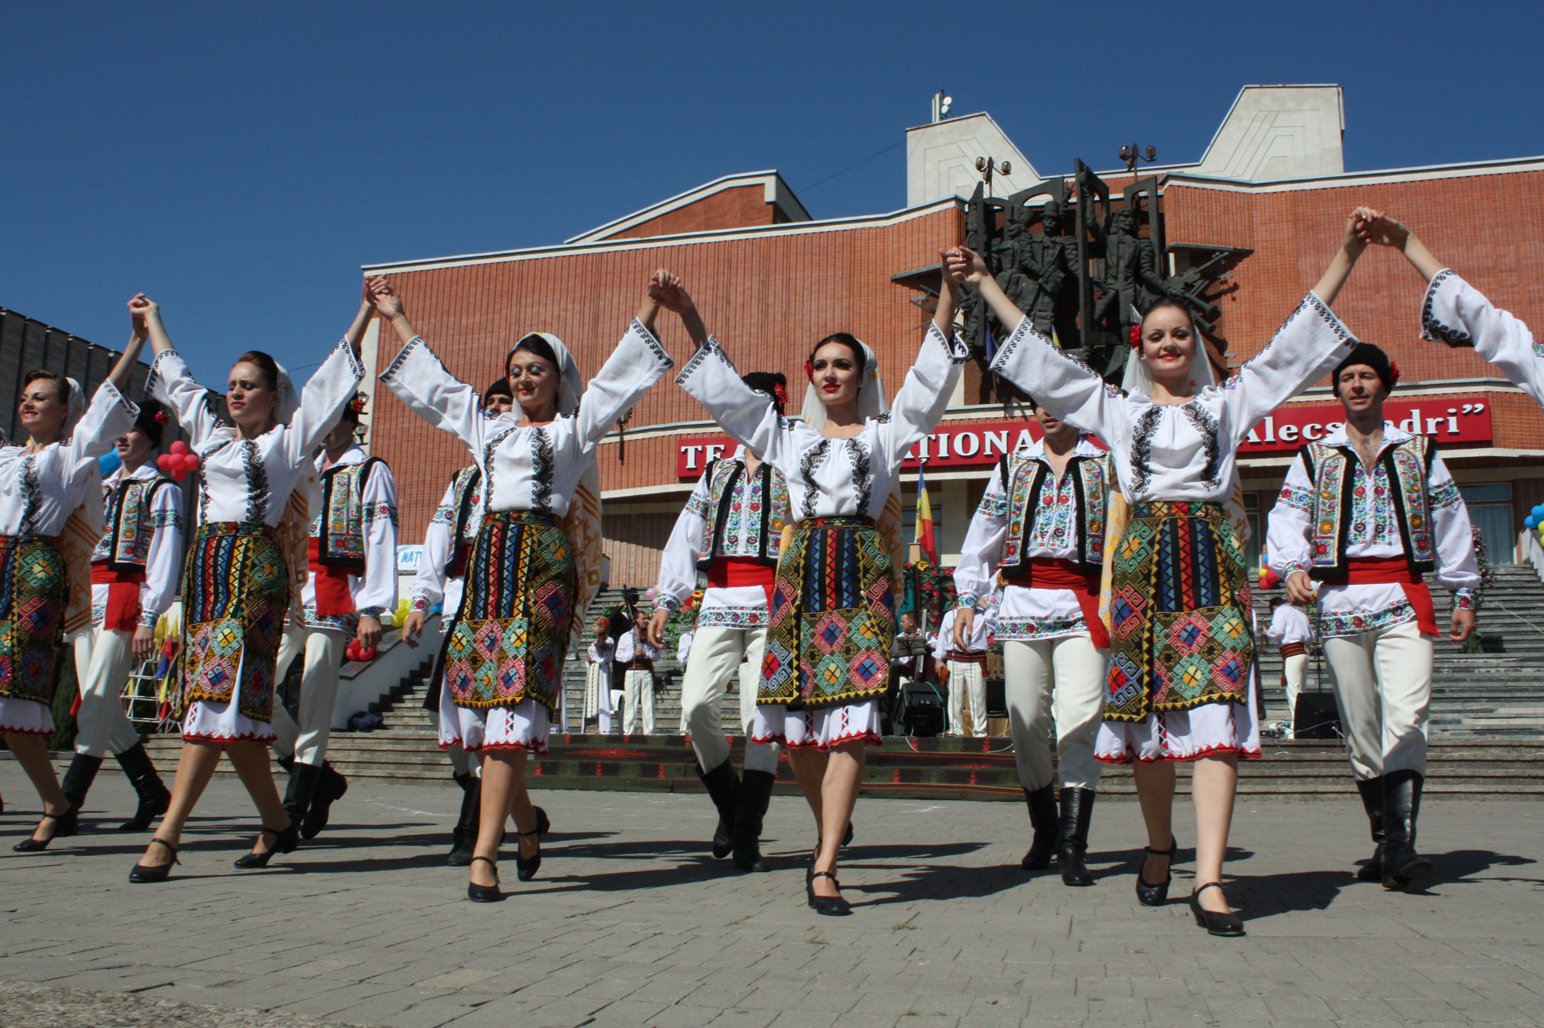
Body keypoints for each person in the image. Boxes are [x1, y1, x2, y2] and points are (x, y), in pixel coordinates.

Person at [956, 208, 1377, 935]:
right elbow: (1041, 363)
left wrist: (1345, 253)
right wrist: (990, 284)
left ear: (1194, 344)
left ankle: (1210, 881)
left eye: (1180, 333)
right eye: (1156, 336)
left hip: (1210, 565)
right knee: (1149, 728)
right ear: (1140, 350)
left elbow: (1293, 346)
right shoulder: (1113, 412)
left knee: (1214, 720)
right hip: (1142, 570)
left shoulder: (1227, 403)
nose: (1170, 343)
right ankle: (1160, 844)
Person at [663, 258, 967, 915]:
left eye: (842, 365)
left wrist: (946, 296)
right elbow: (727, 397)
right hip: (798, 585)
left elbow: (928, 383)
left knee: (850, 727)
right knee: (790, 728)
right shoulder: (788, 437)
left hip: (861, 582)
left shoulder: (887, 437)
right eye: (820, 365)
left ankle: (825, 864)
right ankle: (831, 818)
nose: (830, 374)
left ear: (861, 376)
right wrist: (688, 314)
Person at [372, 271, 677, 902]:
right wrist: (397, 317)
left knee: (513, 708)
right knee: (484, 720)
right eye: (515, 369)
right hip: (488, 568)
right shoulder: (491, 432)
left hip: (543, 572)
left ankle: (485, 855)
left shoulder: (572, 431)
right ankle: (529, 822)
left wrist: (649, 304)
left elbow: (619, 377)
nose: (522, 378)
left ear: (559, 378)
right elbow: (438, 387)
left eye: (535, 368)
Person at [128, 290, 369, 881]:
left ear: (272, 395)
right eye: (231, 384)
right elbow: (179, 381)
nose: (234, 393)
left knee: (215, 703)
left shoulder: (287, 444)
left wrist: (364, 316)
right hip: (208, 575)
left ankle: (168, 833)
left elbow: (330, 382)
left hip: (254, 577)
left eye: (247, 385)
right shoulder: (210, 437)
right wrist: (154, 321)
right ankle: (279, 822)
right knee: (233, 717)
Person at [1266, 340, 1479, 888]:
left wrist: (1462, 593)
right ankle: (1387, 843)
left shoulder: (1419, 451)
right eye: (1348, 377)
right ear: (1336, 389)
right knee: (1360, 729)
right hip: (1338, 601)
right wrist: (1291, 566)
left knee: (1407, 715)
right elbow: (1287, 515)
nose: (1357, 385)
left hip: (1403, 596)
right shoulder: (1315, 454)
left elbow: (1451, 519)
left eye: (1367, 376)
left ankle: (1402, 847)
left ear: (1387, 384)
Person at [952, 401, 1115, 885]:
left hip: (1085, 604)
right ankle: (1045, 827)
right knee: (1024, 722)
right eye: (1040, 401)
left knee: (1080, 720)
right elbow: (983, 534)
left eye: (1060, 400)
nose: (1049, 411)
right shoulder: (1014, 464)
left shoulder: (1107, 464)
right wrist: (969, 597)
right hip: (1023, 604)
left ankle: (1072, 845)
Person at [4, 325, 147, 851]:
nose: (29, 404)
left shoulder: (70, 457)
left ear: (65, 410)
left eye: (41, 398)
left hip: (34, 575)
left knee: (13, 697)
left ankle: (57, 803)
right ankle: (58, 804)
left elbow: (108, 396)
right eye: (25, 397)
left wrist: (134, 342)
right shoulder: (6, 458)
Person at [648, 372, 791, 871]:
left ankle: (746, 832)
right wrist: (668, 598)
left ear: (777, 405)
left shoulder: (793, 460)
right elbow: (686, 535)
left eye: (760, 404)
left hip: (776, 603)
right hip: (720, 598)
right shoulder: (716, 470)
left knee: (759, 718)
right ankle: (732, 804)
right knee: (695, 706)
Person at [268, 393, 398, 839]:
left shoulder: (368, 469)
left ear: (350, 419)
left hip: (336, 591)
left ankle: (296, 802)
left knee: (314, 700)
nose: (323, 427)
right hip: (291, 591)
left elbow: (380, 535)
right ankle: (322, 780)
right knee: (259, 692)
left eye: (332, 418)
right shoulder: (304, 468)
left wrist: (372, 607)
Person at [57, 400, 181, 834]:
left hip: (126, 595)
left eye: (131, 431)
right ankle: (151, 791)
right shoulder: (103, 484)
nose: (122, 438)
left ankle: (66, 805)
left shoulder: (161, 489)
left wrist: (150, 615)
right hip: (88, 595)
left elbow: (164, 555)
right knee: (100, 703)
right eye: (120, 431)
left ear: (150, 437)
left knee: (92, 703)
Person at [932, 606, 990, 737]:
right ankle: (955, 730)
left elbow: (993, 618)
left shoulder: (982, 614)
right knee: (954, 696)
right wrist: (939, 659)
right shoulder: (950, 615)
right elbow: (943, 636)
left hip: (976, 659)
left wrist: (983, 603)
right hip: (955, 658)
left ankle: (980, 732)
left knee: (978, 697)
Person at [1264, 596, 1313, 734]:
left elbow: (1277, 631)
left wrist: (1266, 632)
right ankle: (1301, 725)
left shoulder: (1280, 611)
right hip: (1302, 652)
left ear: (1274, 606)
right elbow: (1310, 637)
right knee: (1300, 691)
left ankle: (1297, 728)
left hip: (1292, 653)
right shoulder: (1300, 614)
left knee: (1294, 693)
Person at [615, 609, 660, 734]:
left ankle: (650, 731)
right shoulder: (626, 637)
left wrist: (651, 650)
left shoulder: (649, 636)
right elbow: (619, 656)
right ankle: (628, 730)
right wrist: (633, 654)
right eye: (643, 619)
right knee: (630, 701)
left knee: (648, 701)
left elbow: (656, 657)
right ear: (636, 620)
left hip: (646, 671)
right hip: (632, 670)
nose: (646, 621)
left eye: (646, 619)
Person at [583, 616, 616, 734]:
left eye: (595, 626)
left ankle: (603, 727)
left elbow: (604, 652)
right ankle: (592, 724)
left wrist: (599, 645)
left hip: (602, 670)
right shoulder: (596, 641)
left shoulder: (609, 640)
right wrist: (588, 659)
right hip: (593, 670)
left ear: (602, 628)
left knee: (602, 696)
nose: (593, 629)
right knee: (593, 696)